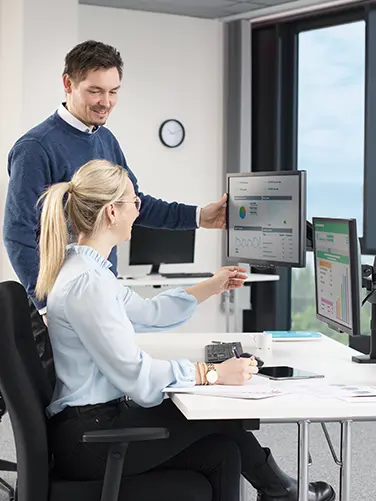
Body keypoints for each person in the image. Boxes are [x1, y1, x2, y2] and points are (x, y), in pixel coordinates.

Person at [37, 159, 335, 501]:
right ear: (111, 213)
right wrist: (212, 374)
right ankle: (284, 492)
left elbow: (149, 312)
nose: (138, 210)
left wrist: (212, 285)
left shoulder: (88, 270)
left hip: (96, 423)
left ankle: (279, 492)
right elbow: (137, 376)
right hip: (90, 441)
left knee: (225, 452)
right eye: (134, 202)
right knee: (222, 417)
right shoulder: (87, 284)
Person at [3, 40, 227, 380]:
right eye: (95, 91)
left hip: (100, 287)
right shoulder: (35, 148)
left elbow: (135, 202)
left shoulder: (104, 138)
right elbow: (18, 232)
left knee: (117, 379)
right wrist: (46, 303)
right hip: (67, 301)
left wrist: (200, 217)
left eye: (113, 91)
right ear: (68, 84)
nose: (105, 102)